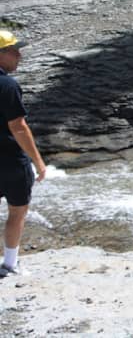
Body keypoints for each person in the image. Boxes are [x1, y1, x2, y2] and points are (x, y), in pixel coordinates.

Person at [0, 30, 46, 277]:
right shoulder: (7, 85)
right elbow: (18, 126)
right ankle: (9, 263)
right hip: (9, 160)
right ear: (1, 54)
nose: (19, 55)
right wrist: (38, 161)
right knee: (17, 211)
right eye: (13, 51)